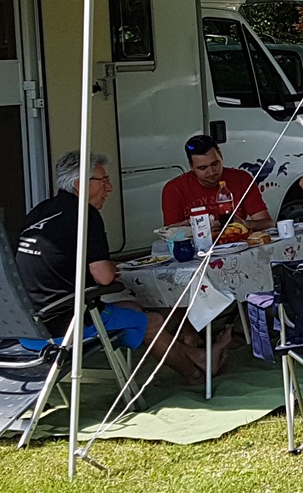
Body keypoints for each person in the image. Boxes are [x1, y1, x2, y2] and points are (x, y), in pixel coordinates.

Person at [16, 151, 222, 385]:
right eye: (103, 181)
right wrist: (111, 267)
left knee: (133, 308)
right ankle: (196, 375)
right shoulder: (84, 214)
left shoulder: (39, 211)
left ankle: (200, 356)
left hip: (28, 328)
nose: (110, 188)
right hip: (63, 326)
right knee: (151, 321)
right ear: (80, 184)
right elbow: (103, 277)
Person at [161, 134, 272, 232]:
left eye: (215, 164)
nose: (211, 172)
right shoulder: (174, 189)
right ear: (191, 167)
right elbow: (171, 232)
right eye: (202, 168)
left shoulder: (242, 179)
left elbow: (268, 223)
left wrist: (245, 224)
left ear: (221, 156)